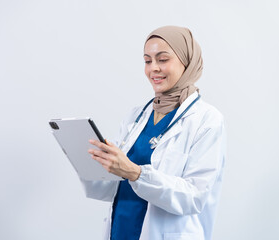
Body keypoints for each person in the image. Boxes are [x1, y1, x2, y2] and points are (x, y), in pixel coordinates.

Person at [84, 26, 226, 240]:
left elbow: (195, 197)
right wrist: (94, 164)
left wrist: (136, 173)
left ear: (186, 62)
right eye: (148, 61)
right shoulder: (137, 115)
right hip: (121, 231)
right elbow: (110, 188)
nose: (154, 69)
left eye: (162, 59)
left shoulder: (207, 120)